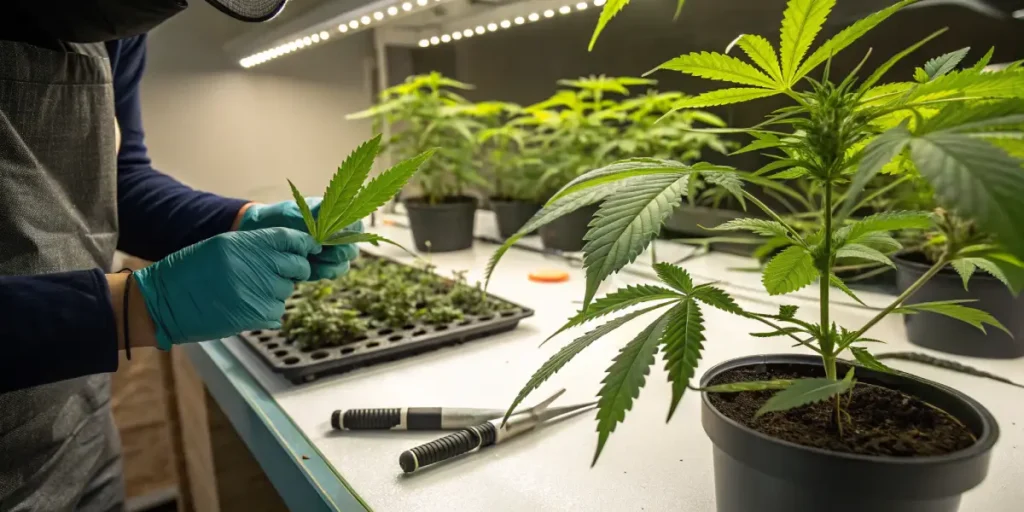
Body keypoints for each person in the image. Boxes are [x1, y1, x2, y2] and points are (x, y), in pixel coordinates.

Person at [0, 1, 361, 510]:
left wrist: (241, 218)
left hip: (78, 424)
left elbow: (119, 180)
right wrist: (137, 306)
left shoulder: (119, 26)